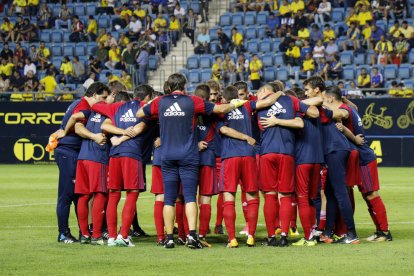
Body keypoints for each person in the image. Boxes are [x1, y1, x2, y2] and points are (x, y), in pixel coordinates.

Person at [136, 73, 247, 249]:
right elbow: (220, 110)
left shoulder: (160, 102)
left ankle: (169, 238)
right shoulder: (192, 101)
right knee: (189, 197)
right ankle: (192, 237)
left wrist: (155, 104)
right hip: (188, 155)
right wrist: (236, 102)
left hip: (167, 155)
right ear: (184, 86)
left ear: (170, 86)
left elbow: (140, 112)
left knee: (169, 199)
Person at [323, 86, 392, 243]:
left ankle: (385, 232)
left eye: (325, 99)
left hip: (363, 157)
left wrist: (353, 138)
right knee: (350, 192)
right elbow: (353, 108)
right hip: (356, 156)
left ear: (331, 98)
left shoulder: (343, 109)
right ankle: (376, 231)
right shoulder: (349, 107)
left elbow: (342, 118)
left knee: (370, 194)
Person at [218, 85, 284, 248]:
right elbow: (267, 102)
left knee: (229, 198)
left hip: (230, 156)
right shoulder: (247, 105)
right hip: (248, 155)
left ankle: (232, 239)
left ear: (224, 98)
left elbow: (223, 129)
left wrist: (244, 137)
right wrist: (279, 92)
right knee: (252, 196)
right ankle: (251, 237)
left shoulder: (221, 110)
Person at [258, 84, 318, 247]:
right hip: (287, 152)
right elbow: (313, 113)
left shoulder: (258, 104)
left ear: (264, 91)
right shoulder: (291, 101)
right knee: (285, 195)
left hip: (267, 152)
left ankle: (271, 237)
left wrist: (276, 120)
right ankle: (284, 235)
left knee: (270, 195)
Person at [51, 82, 110, 243]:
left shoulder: (78, 103)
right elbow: (75, 119)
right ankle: (63, 233)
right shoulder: (84, 105)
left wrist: (62, 129)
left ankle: (83, 232)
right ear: (94, 95)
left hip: (70, 152)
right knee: (66, 194)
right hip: (68, 152)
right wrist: (64, 130)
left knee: (79, 195)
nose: (103, 101)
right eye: (102, 97)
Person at [303, 78, 359, 244]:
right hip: (331, 150)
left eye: (307, 89)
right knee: (330, 192)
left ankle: (352, 234)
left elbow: (342, 110)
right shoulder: (320, 106)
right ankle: (327, 232)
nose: (306, 92)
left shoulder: (320, 105)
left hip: (335, 149)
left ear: (317, 90)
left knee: (340, 192)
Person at [91, 89, 148, 247]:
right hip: (132, 154)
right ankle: (123, 235)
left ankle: (111, 237)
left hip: (114, 154)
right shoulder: (142, 106)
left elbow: (102, 119)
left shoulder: (114, 108)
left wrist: (118, 139)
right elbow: (139, 128)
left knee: (113, 195)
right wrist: (125, 135)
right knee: (132, 193)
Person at [74, 88, 124, 245]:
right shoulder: (111, 111)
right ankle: (96, 235)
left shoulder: (91, 111)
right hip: (98, 157)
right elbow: (107, 128)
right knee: (100, 194)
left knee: (84, 196)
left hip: (82, 157)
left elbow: (77, 127)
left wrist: (91, 135)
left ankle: (84, 234)